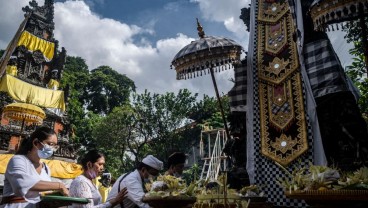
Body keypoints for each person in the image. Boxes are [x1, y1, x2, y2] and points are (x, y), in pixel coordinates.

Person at [0, 126, 69, 208]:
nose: (52, 149)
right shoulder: (18, 160)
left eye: (55, 146)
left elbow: (43, 193)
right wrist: (59, 185)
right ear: (36, 143)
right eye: (50, 144)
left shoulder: (45, 168)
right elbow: (22, 184)